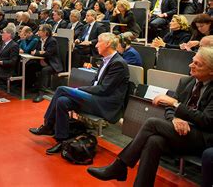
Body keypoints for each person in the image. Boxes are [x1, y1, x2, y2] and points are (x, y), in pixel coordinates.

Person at [87, 47, 213, 187]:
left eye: (198, 64)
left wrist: (177, 105)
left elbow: (207, 121)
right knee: (154, 141)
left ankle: (120, 166)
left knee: (152, 123)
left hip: (203, 138)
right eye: (192, 61)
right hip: (180, 132)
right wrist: (174, 118)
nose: (191, 65)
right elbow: (169, 108)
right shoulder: (187, 82)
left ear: (211, 70)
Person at [29, 33, 129, 154]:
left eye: (99, 42)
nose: (96, 45)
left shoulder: (118, 63)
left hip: (104, 103)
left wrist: (80, 89)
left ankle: (48, 125)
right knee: (62, 101)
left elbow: (104, 89)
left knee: (61, 89)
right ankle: (62, 139)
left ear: (108, 44)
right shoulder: (106, 60)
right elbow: (95, 82)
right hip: (95, 97)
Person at [27, 24, 64, 103]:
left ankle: (41, 93)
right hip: (42, 61)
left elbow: (48, 53)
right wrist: (40, 52)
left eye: (40, 30)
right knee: (30, 65)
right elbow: (35, 50)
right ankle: (31, 85)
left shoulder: (52, 41)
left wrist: (39, 53)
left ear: (45, 32)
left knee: (45, 70)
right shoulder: (39, 40)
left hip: (52, 63)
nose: (38, 32)